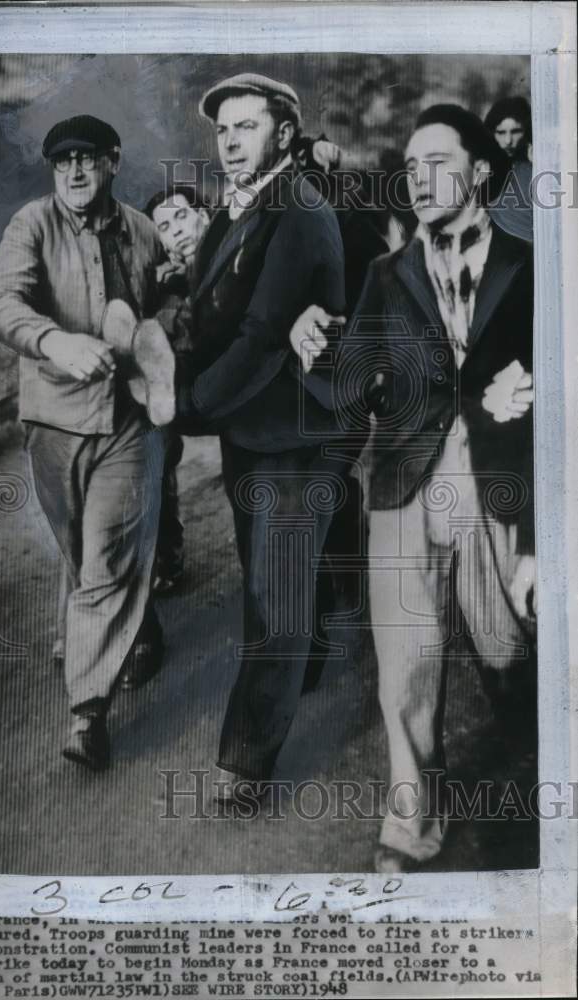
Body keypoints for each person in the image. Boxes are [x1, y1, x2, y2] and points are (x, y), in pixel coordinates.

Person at [292, 104, 534, 871]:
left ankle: (539, 765)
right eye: (410, 166)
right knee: (405, 663)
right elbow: (351, 384)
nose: (419, 179)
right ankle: (412, 821)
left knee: (508, 648)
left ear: (481, 171)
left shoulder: (532, 268)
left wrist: (530, 398)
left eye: (438, 162)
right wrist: (310, 344)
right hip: (402, 483)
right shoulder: (385, 274)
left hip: (496, 482)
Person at [175, 73, 353, 799]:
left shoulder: (299, 209)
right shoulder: (238, 208)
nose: (229, 141)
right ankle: (311, 651)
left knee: (274, 593)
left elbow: (259, 334)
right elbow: (208, 316)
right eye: (222, 130)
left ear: (284, 134)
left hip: (295, 430)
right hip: (254, 428)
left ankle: (246, 762)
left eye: (246, 126)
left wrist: (188, 406)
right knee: (272, 570)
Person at [0, 114, 176, 770]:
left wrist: (164, 318)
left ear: (112, 161)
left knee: (106, 558)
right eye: (62, 162)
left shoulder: (142, 232)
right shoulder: (31, 225)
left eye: (86, 158)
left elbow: (168, 306)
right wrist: (55, 341)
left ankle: (86, 715)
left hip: (127, 424)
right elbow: (0, 305)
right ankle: (139, 628)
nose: (73, 171)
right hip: (54, 424)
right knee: (79, 551)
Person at [145, 185, 211, 593]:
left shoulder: (236, 256)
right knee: (153, 441)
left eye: (182, 217)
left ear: (204, 216)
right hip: (190, 392)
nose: (178, 231)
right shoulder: (164, 288)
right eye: (165, 227)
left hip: (246, 386)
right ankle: (164, 555)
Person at [484, 96, 533, 242]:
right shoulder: (484, 169)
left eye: (516, 131)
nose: (508, 140)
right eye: (501, 132)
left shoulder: (531, 167)